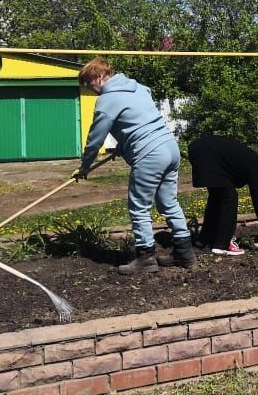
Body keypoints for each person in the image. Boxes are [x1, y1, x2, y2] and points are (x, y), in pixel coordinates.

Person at [75, 57, 193, 274]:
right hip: (169, 147)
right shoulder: (138, 88)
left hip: (149, 154)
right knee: (169, 203)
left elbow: (95, 138)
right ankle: (184, 253)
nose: (91, 90)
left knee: (139, 207)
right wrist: (124, 144)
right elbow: (139, 120)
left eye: (90, 84)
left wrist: (84, 166)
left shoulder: (107, 100)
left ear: (99, 77)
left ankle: (146, 259)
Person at [188, 136, 258, 255]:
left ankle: (204, 239)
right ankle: (222, 245)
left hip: (200, 148)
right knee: (230, 197)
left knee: (217, 197)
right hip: (208, 154)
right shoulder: (255, 167)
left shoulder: (250, 159)